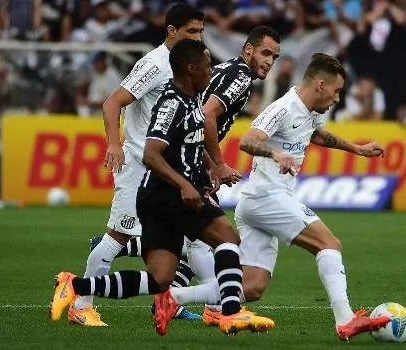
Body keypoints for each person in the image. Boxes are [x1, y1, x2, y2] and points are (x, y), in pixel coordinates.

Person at [154, 53, 391, 341]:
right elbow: (249, 141)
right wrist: (275, 152)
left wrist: (358, 149)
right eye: (336, 90)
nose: (337, 98)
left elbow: (316, 135)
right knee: (329, 243)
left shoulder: (309, 111)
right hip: (266, 196)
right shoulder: (284, 107)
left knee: (252, 285)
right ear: (319, 85)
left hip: (259, 204)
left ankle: (174, 297)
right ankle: (345, 320)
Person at [49, 39, 275, 337]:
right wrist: (185, 184)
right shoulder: (172, 104)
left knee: (160, 279)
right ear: (190, 69)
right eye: (208, 66)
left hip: (171, 192)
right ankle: (229, 313)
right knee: (227, 238)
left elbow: (193, 144)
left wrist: (210, 169)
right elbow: (150, 153)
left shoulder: (191, 99)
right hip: (168, 194)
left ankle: (75, 285)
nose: (212, 72)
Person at [70, 4, 205, 327]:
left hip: (166, 169)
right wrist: (115, 144)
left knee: (186, 238)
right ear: (171, 31)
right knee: (116, 236)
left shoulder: (186, 66)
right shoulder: (155, 64)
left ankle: (169, 302)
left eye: (201, 32)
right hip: (140, 167)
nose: (199, 38)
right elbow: (112, 102)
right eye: (191, 32)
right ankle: (80, 303)